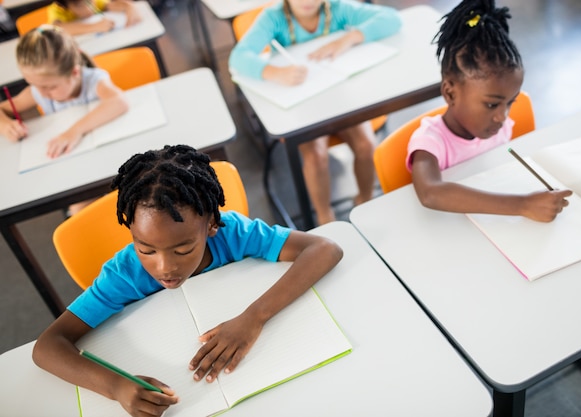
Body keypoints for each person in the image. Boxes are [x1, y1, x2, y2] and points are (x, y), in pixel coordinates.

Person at [32, 144, 344, 417]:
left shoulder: (232, 233)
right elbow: (47, 346)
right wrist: (116, 387)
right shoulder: (125, 273)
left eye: (183, 249)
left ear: (211, 226)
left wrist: (254, 317)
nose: (164, 266)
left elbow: (324, 249)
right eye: (146, 248)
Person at [229, 0, 402, 225]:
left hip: (340, 98)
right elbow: (238, 57)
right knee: (316, 157)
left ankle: (366, 199)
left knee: (366, 145)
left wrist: (348, 38)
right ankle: (324, 216)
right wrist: (274, 72)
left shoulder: (337, 8)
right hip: (305, 104)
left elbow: (392, 19)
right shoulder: (273, 18)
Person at [406, 0, 572, 222]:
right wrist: (522, 205)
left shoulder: (498, 128)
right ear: (450, 93)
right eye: (492, 104)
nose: (502, 117)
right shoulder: (430, 141)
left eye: (510, 102)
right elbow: (431, 193)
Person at [0, 25, 128, 214]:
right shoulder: (39, 91)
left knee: (83, 208)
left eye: (50, 87)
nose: (41, 92)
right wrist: (4, 124)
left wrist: (74, 131)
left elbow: (119, 101)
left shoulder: (93, 81)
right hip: (73, 167)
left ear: (74, 73)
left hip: (109, 162)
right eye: (33, 85)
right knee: (79, 210)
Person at [48, 0, 141, 36]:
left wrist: (128, 6)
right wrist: (95, 26)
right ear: (65, 7)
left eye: (89, 2)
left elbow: (110, 5)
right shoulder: (57, 10)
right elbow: (57, 28)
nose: (88, 9)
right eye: (80, 6)